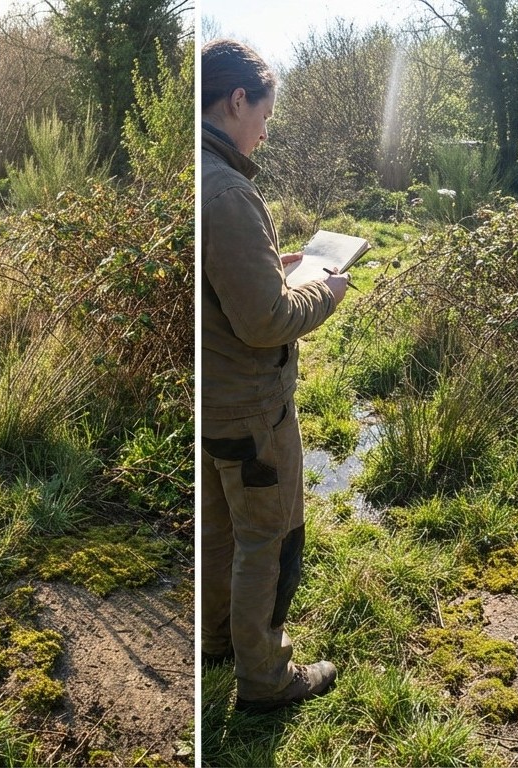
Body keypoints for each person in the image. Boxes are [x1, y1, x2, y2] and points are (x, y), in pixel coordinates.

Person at [199, 38, 348, 713]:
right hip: (249, 408)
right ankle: (265, 678)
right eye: (265, 112)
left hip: (210, 402)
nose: (266, 127)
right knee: (269, 535)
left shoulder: (199, 172)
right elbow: (263, 324)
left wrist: (270, 266)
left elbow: (223, 287)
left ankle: (217, 639)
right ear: (237, 100)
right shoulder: (226, 191)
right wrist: (326, 290)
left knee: (221, 527)